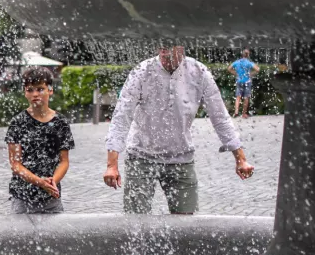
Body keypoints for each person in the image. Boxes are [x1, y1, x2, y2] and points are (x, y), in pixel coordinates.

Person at [103, 46, 255, 214]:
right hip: (141, 156)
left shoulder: (199, 72)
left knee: (186, 225)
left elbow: (220, 117)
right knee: (136, 223)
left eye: (170, 46)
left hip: (181, 157)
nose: (164, 50)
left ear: (182, 46)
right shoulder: (141, 71)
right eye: (161, 46)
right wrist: (112, 164)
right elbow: (121, 117)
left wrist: (240, 158)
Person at [5, 67, 75, 214]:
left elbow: (64, 161)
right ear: (25, 93)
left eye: (40, 89)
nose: (35, 94)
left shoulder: (60, 122)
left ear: (50, 90)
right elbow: (15, 164)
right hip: (22, 197)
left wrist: (52, 182)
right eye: (30, 90)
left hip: (51, 196)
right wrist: (40, 182)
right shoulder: (18, 122)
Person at [228, 49, 259, 118]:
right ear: (248, 55)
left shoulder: (237, 62)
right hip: (247, 81)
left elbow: (229, 68)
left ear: (242, 54)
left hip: (239, 81)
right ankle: (244, 114)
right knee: (246, 97)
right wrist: (251, 74)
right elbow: (257, 69)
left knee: (238, 97)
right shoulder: (249, 63)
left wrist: (236, 73)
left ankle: (236, 112)